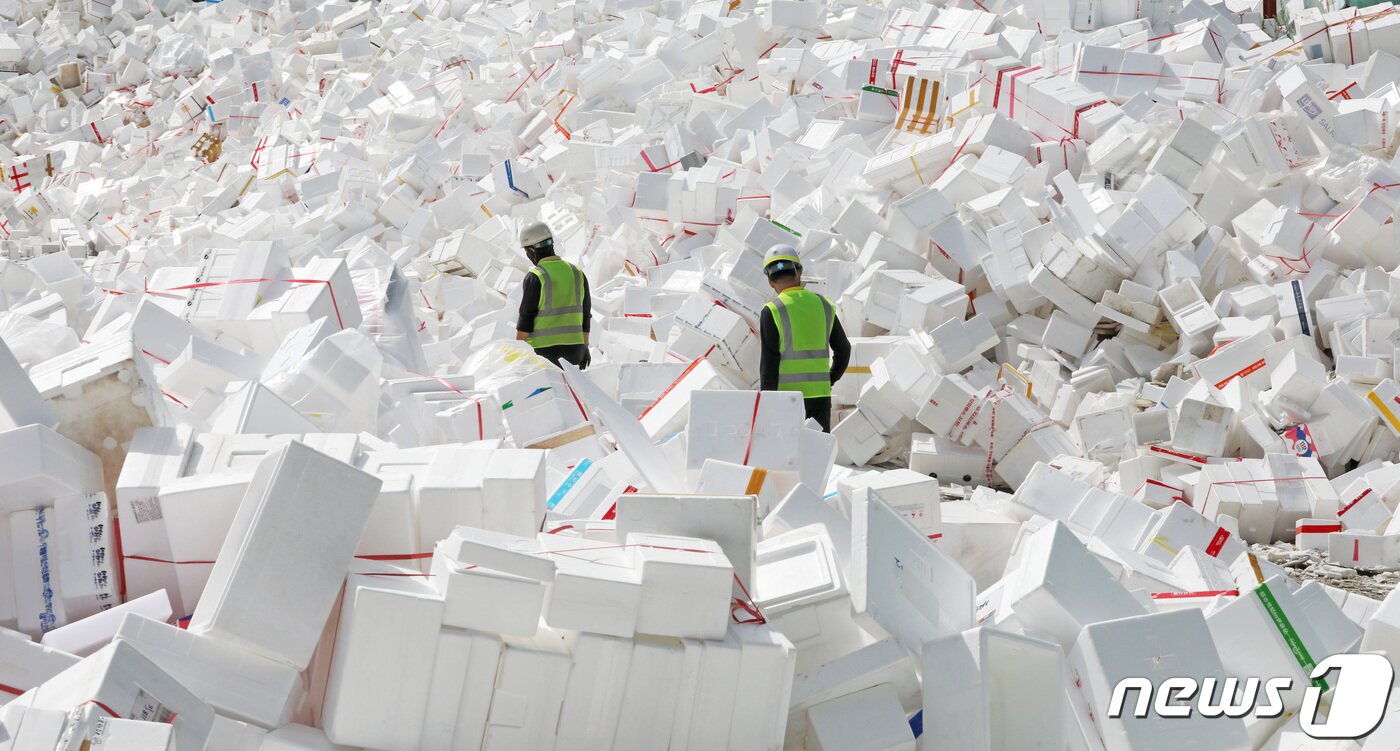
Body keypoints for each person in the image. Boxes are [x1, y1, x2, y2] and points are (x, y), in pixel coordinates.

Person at [758, 244, 851, 432]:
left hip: (787, 401)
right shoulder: (823, 305)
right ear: (799, 271)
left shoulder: (772, 311)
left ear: (770, 281)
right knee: (817, 455)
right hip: (820, 399)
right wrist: (829, 379)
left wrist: (766, 404)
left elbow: (769, 364)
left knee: (787, 458)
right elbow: (844, 349)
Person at [515, 221, 591, 369]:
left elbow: (526, 318)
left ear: (531, 250)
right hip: (574, 352)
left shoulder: (536, 276)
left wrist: (518, 354)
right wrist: (584, 347)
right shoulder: (577, 273)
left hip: (543, 354)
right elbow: (585, 315)